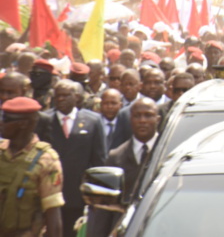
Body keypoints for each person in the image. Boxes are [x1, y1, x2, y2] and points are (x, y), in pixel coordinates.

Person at [86, 97, 160, 237]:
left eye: (148, 115)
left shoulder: (167, 154)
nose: (142, 120)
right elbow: (104, 210)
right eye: (137, 116)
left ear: (158, 119)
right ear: (130, 120)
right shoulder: (116, 157)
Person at [45, 80, 106, 237]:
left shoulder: (92, 121)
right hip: (50, 196)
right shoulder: (44, 120)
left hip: (78, 197)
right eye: (58, 96)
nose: (61, 99)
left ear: (76, 97)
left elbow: (99, 161)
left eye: (66, 95)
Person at [0, 97, 64, 237]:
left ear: (23, 124)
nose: (1, 123)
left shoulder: (46, 160)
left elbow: (53, 213)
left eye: (6, 120)